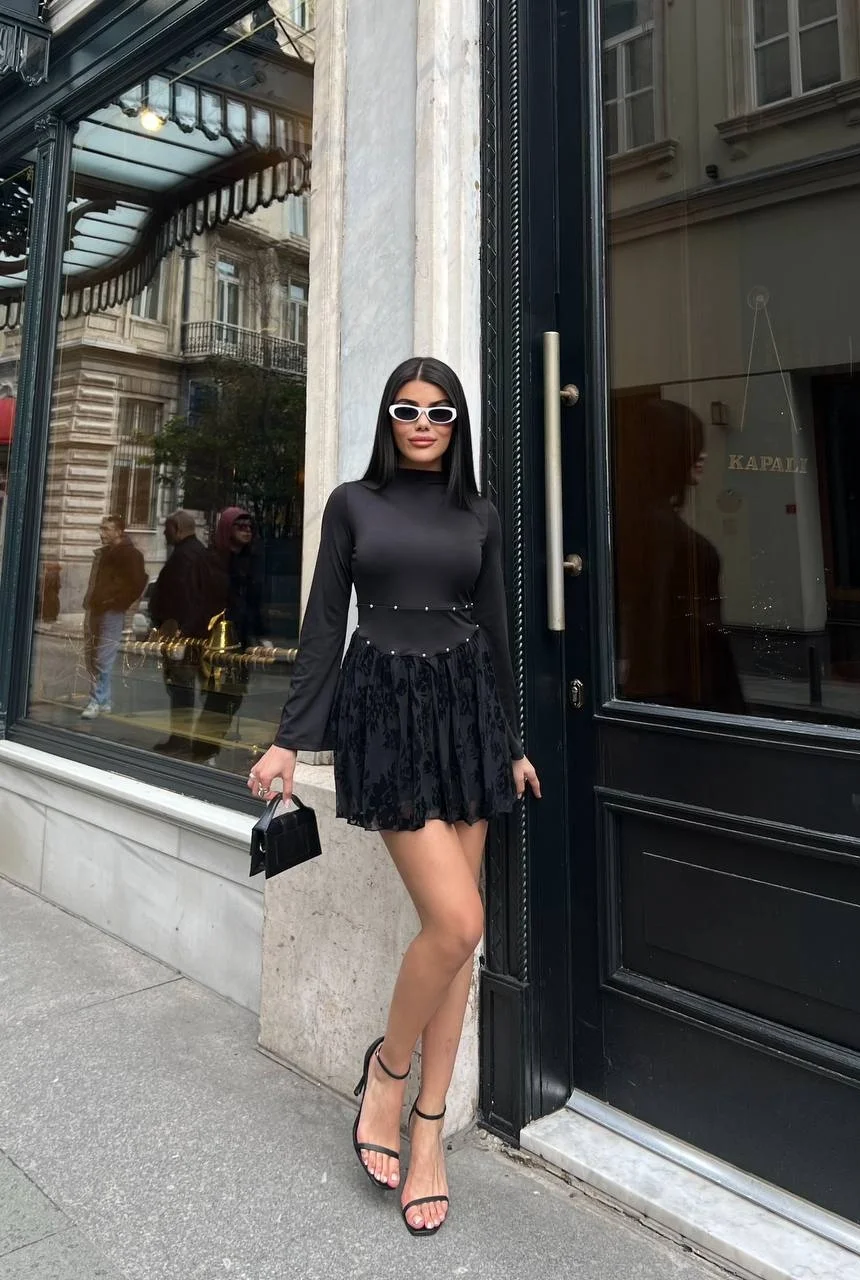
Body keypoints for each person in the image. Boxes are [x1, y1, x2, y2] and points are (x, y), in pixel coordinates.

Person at [247, 357, 541, 1236]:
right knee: (457, 921)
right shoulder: (351, 504)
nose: (422, 423)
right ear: (387, 419)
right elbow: (322, 623)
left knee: (456, 943)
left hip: (468, 718)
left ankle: (428, 1132)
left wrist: (513, 744)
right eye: (407, 410)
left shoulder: (479, 513)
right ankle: (388, 1072)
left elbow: (495, 633)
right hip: (386, 713)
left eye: (439, 411)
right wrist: (289, 738)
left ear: (457, 424)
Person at [615, 397, 744, 712]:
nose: (703, 455)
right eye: (692, 445)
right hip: (685, 699)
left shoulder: (638, 526)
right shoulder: (662, 535)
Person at [189, 507, 271, 764]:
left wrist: (261, 633)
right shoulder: (210, 560)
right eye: (240, 526)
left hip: (240, 639)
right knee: (216, 696)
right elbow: (200, 599)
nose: (247, 531)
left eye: (249, 527)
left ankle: (209, 748)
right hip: (213, 639)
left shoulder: (250, 561)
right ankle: (204, 750)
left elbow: (254, 602)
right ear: (227, 529)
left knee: (232, 697)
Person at [149, 509, 224, 756]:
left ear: (178, 529)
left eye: (167, 528)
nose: (163, 533)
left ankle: (183, 739)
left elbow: (187, 597)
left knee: (181, 687)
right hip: (190, 632)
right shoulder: (195, 553)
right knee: (190, 687)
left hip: (184, 634)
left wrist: (182, 631)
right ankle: (196, 741)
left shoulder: (186, 557)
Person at [81, 514, 147, 720]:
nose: (101, 533)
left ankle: (96, 700)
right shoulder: (103, 554)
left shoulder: (130, 555)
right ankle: (104, 700)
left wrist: (118, 602)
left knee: (103, 657)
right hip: (96, 608)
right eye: (101, 528)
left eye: (106, 529)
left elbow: (138, 583)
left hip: (112, 611)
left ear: (118, 532)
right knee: (93, 655)